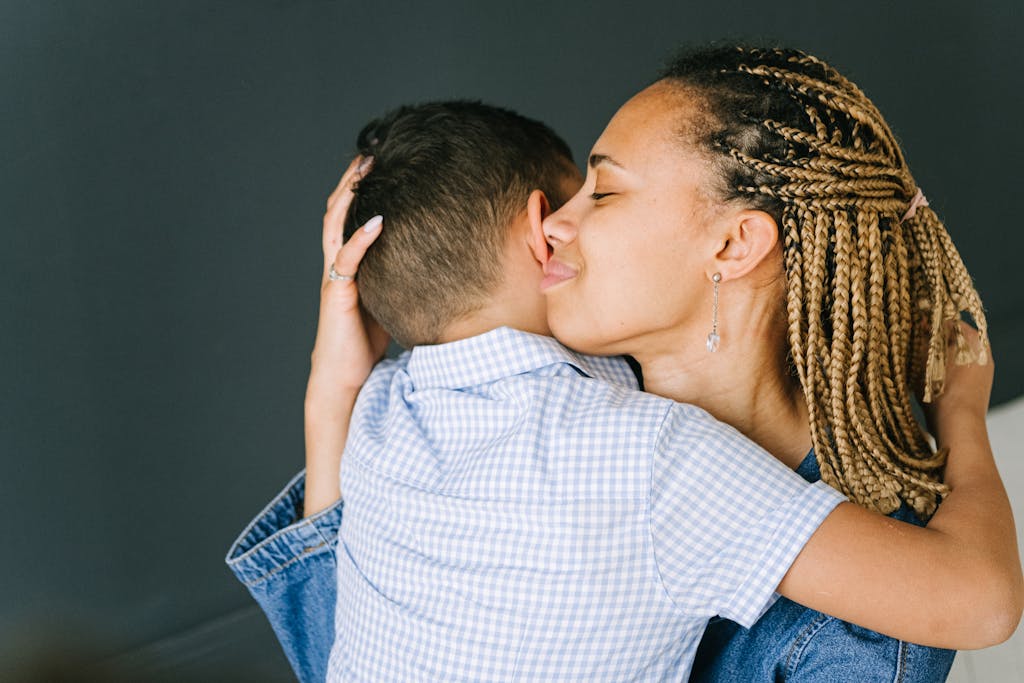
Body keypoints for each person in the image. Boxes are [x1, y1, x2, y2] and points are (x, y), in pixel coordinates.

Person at [225, 48, 1020, 682]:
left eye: (602, 194)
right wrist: (335, 385)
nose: (553, 228)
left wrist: (961, 407)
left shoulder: (848, 628)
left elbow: (979, 600)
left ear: (733, 244)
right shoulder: (560, 436)